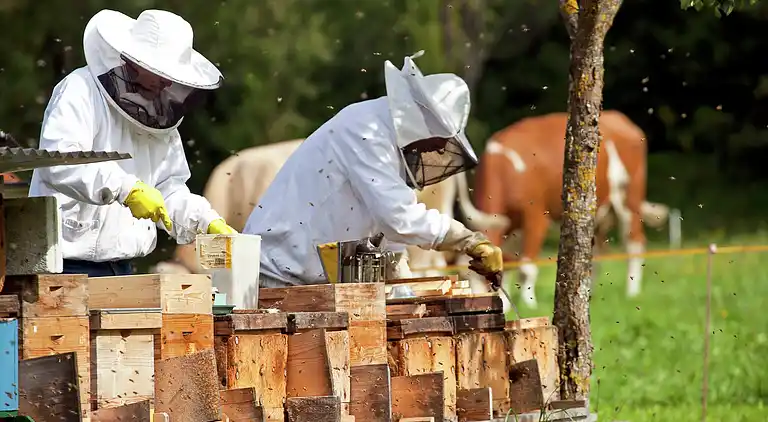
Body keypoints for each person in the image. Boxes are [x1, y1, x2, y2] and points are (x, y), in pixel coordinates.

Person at [243, 50, 503, 288]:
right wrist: (467, 240)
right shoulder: (366, 131)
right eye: (438, 141)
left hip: (309, 280)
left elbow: (388, 234)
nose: (436, 151)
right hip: (275, 274)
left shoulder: (387, 141)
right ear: (422, 122)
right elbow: (399, 219)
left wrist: (405, 290)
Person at [28, 9, 237, 277]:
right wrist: (127, 188)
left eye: (172, 75)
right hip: (63, 267)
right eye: (160, 72)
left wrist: (205, 220)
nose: (166, 82)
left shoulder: (161, 116)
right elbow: (59, 163)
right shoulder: (80, 90)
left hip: (124, 269)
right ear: (134, 61)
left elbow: (169, 189)